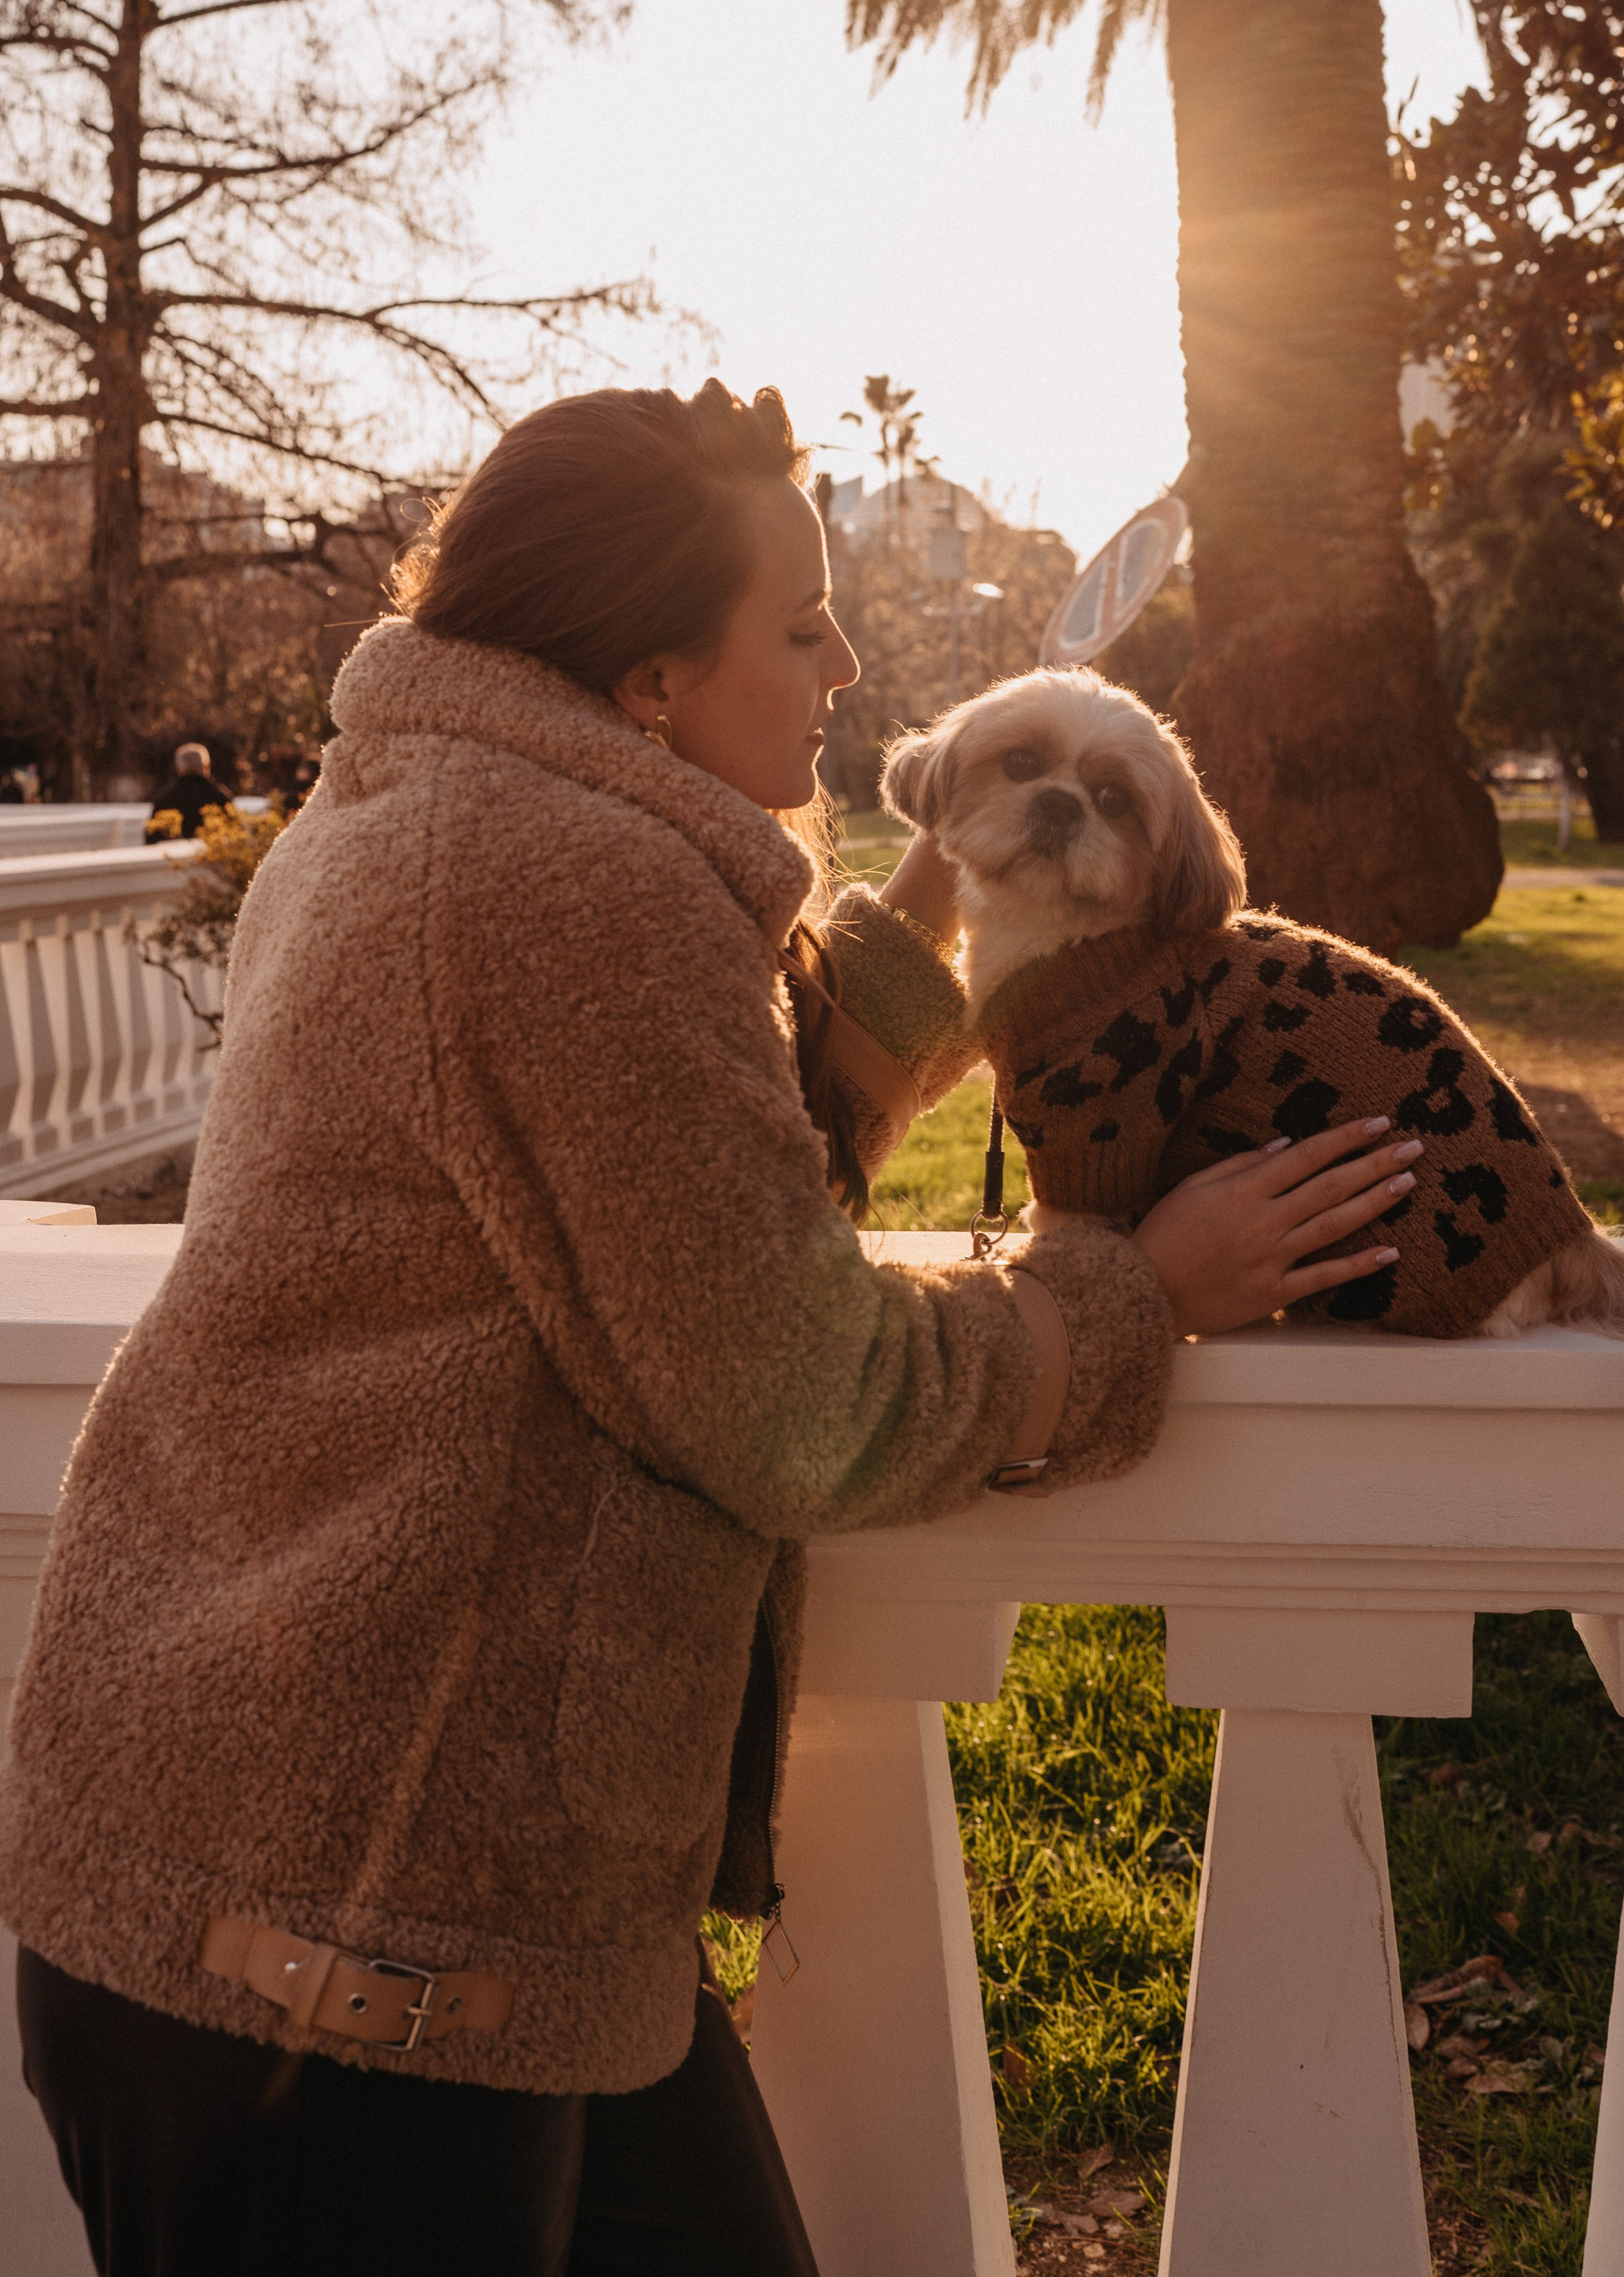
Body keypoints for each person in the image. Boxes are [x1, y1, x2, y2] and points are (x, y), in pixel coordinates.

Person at [0, 381, 1419, 2277]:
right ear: (653, 675)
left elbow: (681, 1194)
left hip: (425, 1914)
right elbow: (801, 1394)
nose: (846, 661)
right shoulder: (570, 889)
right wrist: (1134, 1295)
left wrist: (932, 893)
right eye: (803, 625)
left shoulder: (430, 808)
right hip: (334, 1963)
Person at [142, 741, 233, 842]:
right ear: (206, 767)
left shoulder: (164, 800)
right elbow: (235, 835)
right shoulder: (221, 798)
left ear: (179, 769)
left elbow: (151, 839)